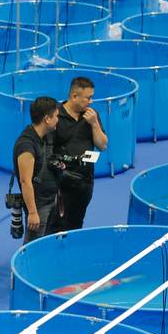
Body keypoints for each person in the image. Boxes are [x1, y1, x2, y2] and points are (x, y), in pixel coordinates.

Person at [53, 78, 108, 232]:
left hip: (85, 180)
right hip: (61, 182)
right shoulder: (56, 116)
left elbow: (102, 145)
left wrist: (94, 123)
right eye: (88, 98)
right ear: (75, 96)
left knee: (76, 223)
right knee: (57, 224)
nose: (91, 101)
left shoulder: (92, 115)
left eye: (92, 97)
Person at [13, 96, 60, 245]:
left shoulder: (46, 136)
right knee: (33, 247)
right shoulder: (26, 145)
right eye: (57, 116)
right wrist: (33, 213)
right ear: (47, 118)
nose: (58, 119)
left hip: (51, 199)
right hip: (39, 206)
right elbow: (25, 181)